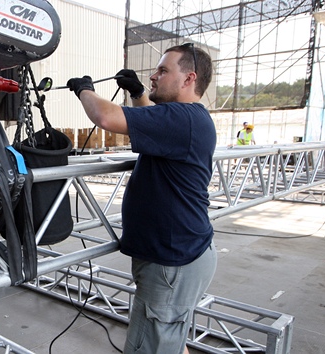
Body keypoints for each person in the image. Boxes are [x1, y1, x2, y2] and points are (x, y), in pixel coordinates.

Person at [66, 43, 218, 354]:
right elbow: (153, 122)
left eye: (163, 71)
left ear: (189, 78)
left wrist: (84, 90)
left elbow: (106, 117)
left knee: (148, 347)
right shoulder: (185, 119)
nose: (153, 76)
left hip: (171, 263)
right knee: (169, 339)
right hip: (181, 256)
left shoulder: (182, 118)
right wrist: (137, 94)